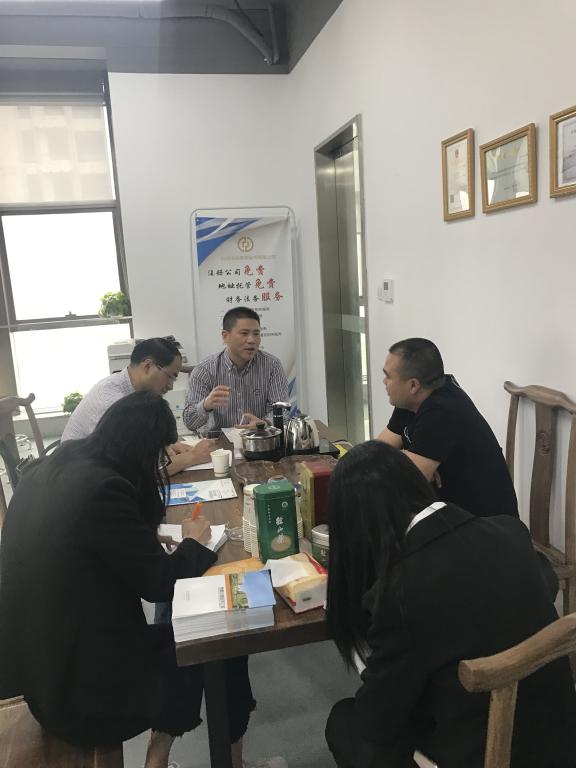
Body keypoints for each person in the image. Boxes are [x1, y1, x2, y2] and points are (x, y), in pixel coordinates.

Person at [0, 391, 286, 768]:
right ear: (141, 448)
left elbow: (81, 542)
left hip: (42, 674)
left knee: (194, 639)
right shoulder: (104, 489)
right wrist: (193, 542)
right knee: (213, 642)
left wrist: (141, 536)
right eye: (160, 455)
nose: (161, 465)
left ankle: (162, 758)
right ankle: (180, 760)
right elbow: (159, 584)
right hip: (80, 694)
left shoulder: (52, 469)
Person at [325, 440, 576, 768]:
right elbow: (546, 582)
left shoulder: (400, 594)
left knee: (345, 722)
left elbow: (376, 721)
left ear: (355, 528)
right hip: (562, 743)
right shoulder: (509, 530)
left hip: (489, 752)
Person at [377, 337, 518, 518]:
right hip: (449, 513)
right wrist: (407, 459)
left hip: (485, 526)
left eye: (388, 376)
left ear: (413, 385)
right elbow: (377, 449)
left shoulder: (442, 410)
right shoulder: (413, 399)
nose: (384, 382)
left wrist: (409, 464)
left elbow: (405, 484)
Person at [62, 336, 214, 474]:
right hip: (79, 481)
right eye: (170, 376)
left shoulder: (130, 393)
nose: (170, 386)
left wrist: (165, 446)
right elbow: (140, 471)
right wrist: (194, 456)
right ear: (148, 366)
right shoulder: (112, 402)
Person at [183, 307, 289, 433]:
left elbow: (283, 411)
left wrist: (264, 424)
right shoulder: (204, 370)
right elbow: (189, 422)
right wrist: (205, 405)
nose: (251, 340)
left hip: (260, 439)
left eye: (256, 334)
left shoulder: (272, 365)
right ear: (225, 336)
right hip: (218, 442)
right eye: (244, 333)